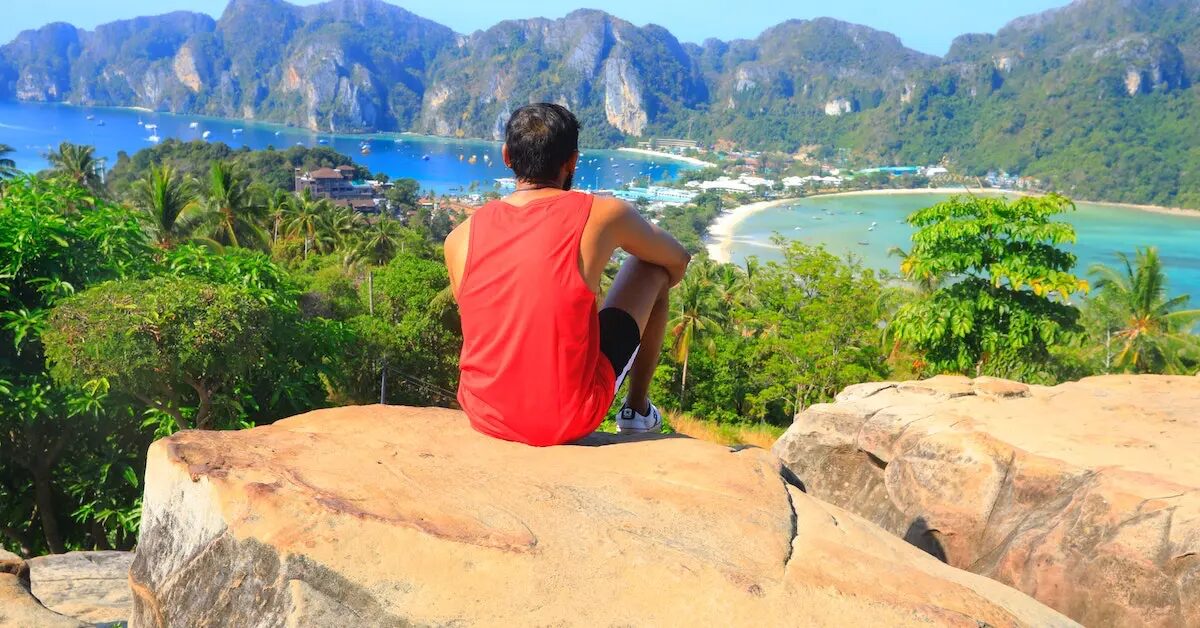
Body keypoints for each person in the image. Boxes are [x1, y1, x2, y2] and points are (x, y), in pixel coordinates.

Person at [444, 103, 690, 446]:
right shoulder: (603, 213)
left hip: (484, 413)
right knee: (650, 266)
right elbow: (677, 259)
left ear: (506, 156)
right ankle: (636, 413)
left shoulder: (460, 237)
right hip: (567, 416)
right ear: (572, 161)